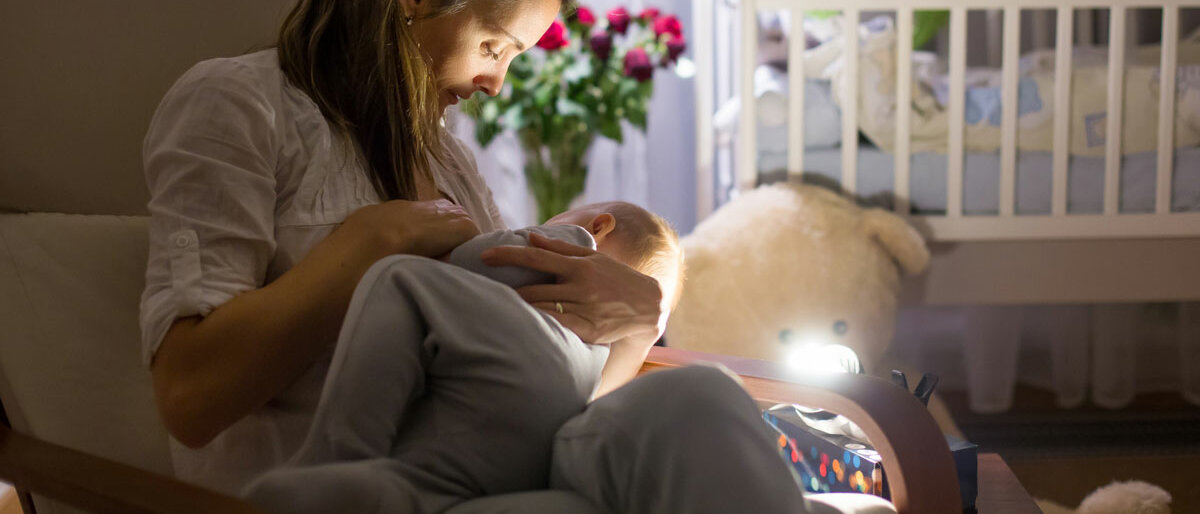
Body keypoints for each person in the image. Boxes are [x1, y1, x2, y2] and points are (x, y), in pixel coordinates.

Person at [139, 0, 812, 511]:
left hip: (503, 476)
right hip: (372, 492)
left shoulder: (448, 160)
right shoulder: (240, 105)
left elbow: (533, 388)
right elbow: (190, 395)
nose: (497, 85)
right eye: (495, 45)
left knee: (699, 396)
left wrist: (637, 323)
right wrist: (371, 247)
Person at [240, 202, 682, 513]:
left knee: (401, 280)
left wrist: (447, 253)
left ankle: (341, 457)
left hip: (516, 364)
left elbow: (493, 261)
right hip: (521, 451)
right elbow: (620, 372)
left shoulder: (574, 243)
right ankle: (390, 493)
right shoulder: (604, 351)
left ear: (600, 226)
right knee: (418, 489)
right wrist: (647, 329)